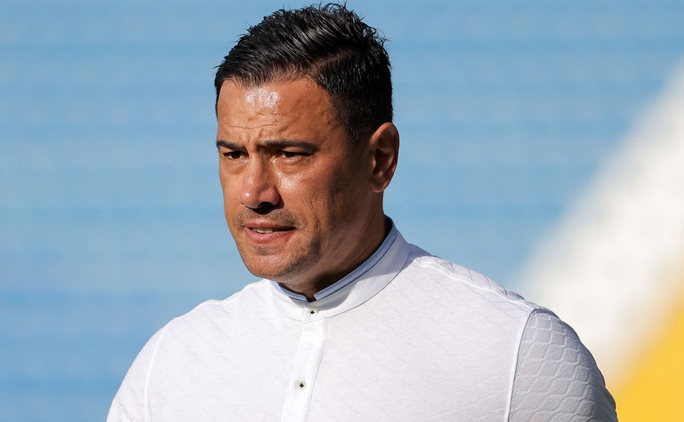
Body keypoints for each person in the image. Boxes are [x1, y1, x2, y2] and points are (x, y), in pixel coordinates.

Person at [107, 4, 617, 421]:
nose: (254, 192)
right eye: (234, 155)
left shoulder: (518, 355)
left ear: (380, 159)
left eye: (289, 154)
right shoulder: (169, 365)